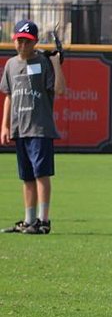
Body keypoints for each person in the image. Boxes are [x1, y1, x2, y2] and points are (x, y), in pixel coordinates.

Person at [0, 20, 66, 235]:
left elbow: (60, 90)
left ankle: (43, 220)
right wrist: (5, 125)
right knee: (26, 177)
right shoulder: (11, 65)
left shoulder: (43, 62)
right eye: (19, 40)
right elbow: (9, 97)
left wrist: (56, 63)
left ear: (35, 42)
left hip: (40, 128)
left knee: (41, 174)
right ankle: (29, 220)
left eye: (27, 41)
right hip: (20, 128)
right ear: (13, 41)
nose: (22, 45)